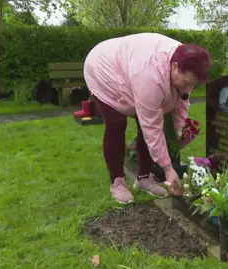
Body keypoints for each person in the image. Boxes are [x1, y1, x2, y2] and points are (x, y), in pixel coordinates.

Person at [83, 32, 212, 204]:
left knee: (145, 122)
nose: (189, 87)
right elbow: (152, 127)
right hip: (102, 66)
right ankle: (117, 182)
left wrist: (178, 128)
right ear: (174, 67)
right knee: (117, 122)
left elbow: (183, 99)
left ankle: (143, 178)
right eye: (186, 82)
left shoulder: (188, 63)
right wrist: (168, 169)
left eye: (192, 84)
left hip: (129, 65)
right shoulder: (150, 75)